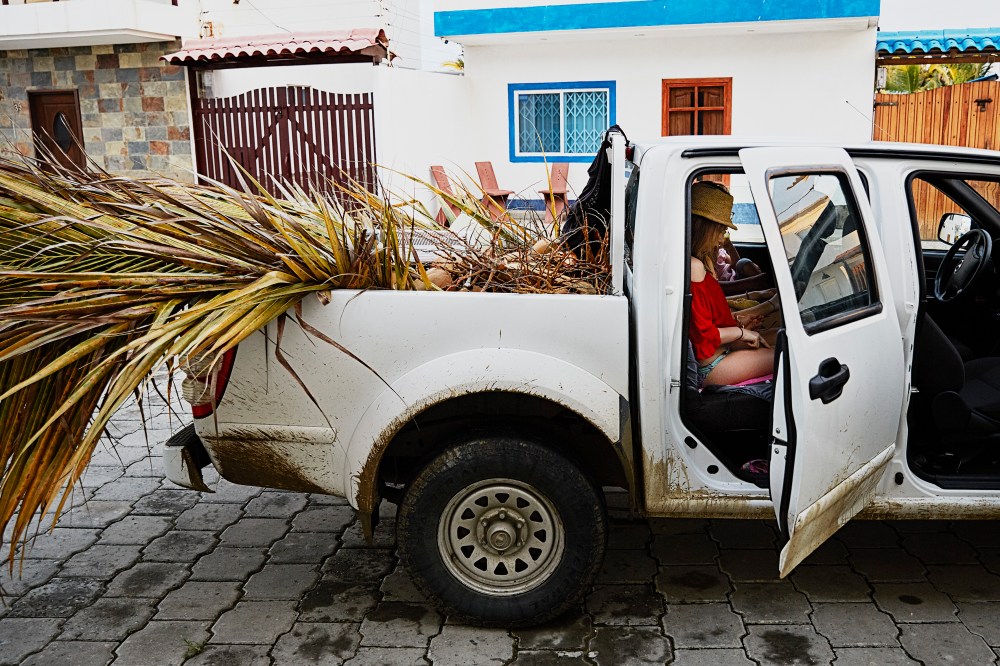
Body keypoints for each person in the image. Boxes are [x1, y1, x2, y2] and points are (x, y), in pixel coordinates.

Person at [689, 181, 775, 387]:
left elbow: (703, 321)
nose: (723, 238)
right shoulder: (695, 267)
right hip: (713, 364)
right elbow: (703, 336)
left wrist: (739, 324)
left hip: (722, 350)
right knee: (790, 354)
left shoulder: (700, 260)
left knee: (784, 338)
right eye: (720, 230)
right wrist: (741, 333)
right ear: (705, 228)